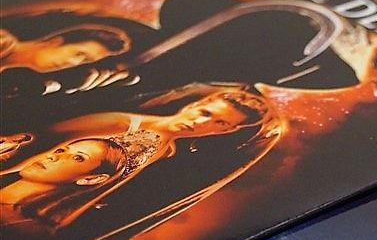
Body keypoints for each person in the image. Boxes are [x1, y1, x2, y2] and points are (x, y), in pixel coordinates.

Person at [51, 89, 271, 164]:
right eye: (205, 113)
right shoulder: (120, 123)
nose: (201, 123)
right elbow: (44, 139)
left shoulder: (168, 154)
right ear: (193, 105)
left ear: (226, 130)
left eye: (219, 122)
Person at [0, 138, 129, 228]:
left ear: (91, 179)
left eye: (78, 158)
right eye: (61, 151)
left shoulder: (21, 225)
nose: (53, 157)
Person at [0, 25, 131, 73]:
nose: (73, 63)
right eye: (79, 54)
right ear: (54, 42)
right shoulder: (3, 41)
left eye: (84, 61)